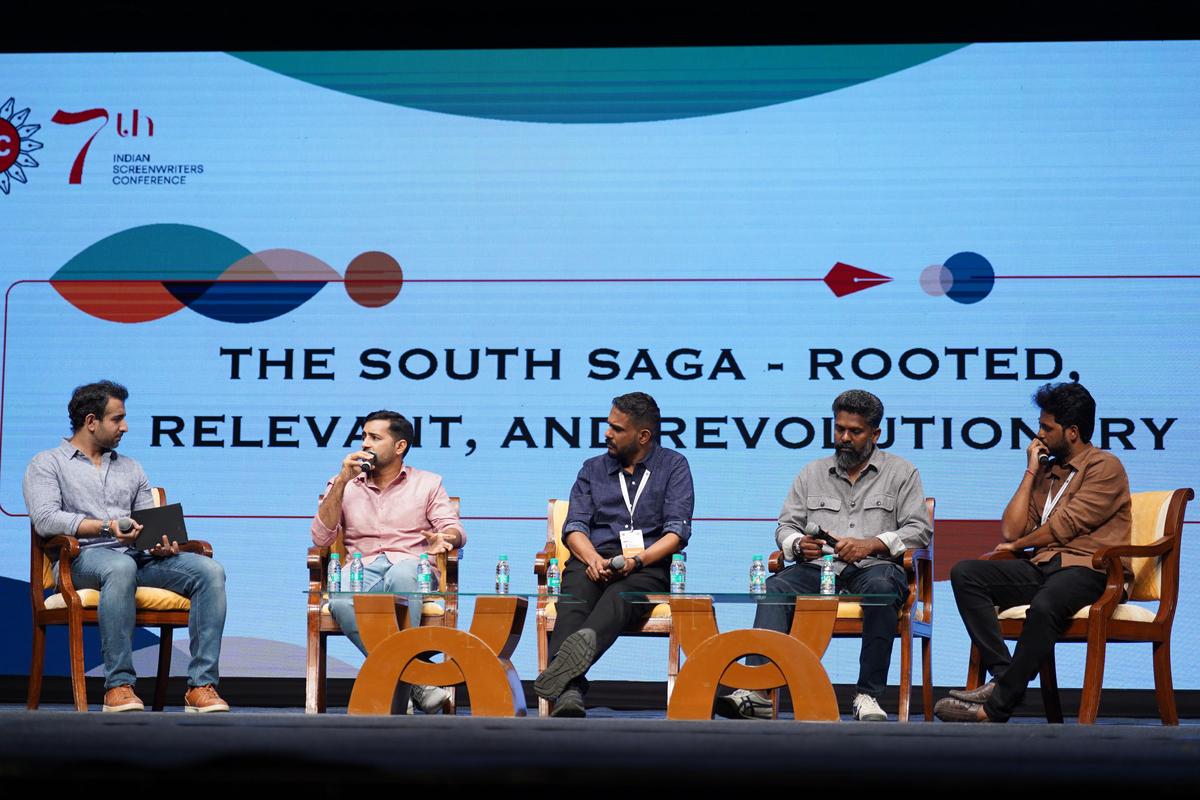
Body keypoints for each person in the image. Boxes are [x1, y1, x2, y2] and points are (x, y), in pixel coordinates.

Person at [716, 389, 930, 722]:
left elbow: (919, 530)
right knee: (776, 587)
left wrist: (870, 543)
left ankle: (867, 696)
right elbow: (785, 527)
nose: (844, 438)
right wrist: (798, 544)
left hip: (874, 568)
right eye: (839, 429)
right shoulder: (811, 472)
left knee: (882, 590)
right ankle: (757, 692)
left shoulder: (902, 473)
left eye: (855, 432)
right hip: (819, 567)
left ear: (876, 434)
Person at [23, 380, 229, 713]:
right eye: (117, 419)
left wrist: (158, 545)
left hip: (135, 557)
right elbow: (46, 520)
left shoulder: (131, 468)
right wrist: (107, 526)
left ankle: (201, 686)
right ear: (91, 422)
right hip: (79, 560)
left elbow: (146, 526)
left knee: (209, 571)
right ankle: (119, 685)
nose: (125, 426)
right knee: (120, 567)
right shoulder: (47, 464)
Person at [936, 381, 1131, 723]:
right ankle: (1002, 675)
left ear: (1072, 432)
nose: (1038, 434)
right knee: (966, 573)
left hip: (1089, 569)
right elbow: (1012, 530)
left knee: (1044, 606)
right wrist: (1030, 471)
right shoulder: (1047, 470)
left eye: (1046, 427)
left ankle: (996, 708)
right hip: (1043, 566)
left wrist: (1016, 546)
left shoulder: (1104, 466)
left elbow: (1066, 525)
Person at [534, 392, 694, 718]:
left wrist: (637, 561)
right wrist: (592, 559)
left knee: (621, 597)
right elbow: (574, 526)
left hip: (646, 563)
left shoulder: (673, 466)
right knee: (574, 600)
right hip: (594, 557)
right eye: (609, 426)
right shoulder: (592, 469)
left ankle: (563, 678)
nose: (607, 433)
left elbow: (676, 533)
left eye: (617, 429)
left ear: (643, 436)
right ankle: (570, 689)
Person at [311, 409, 464, 714]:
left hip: (411, 563)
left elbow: (454, 528)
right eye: (363, 436)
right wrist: (342, 481)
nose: (365, 443)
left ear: (399, 446)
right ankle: (416, 681)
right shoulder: (343, 483)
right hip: (360, 568)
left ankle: (400, 681)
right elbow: (321, 538)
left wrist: (444, 538)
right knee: (340, 601)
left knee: (403, 576)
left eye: (374, 437)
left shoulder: (428, 483)